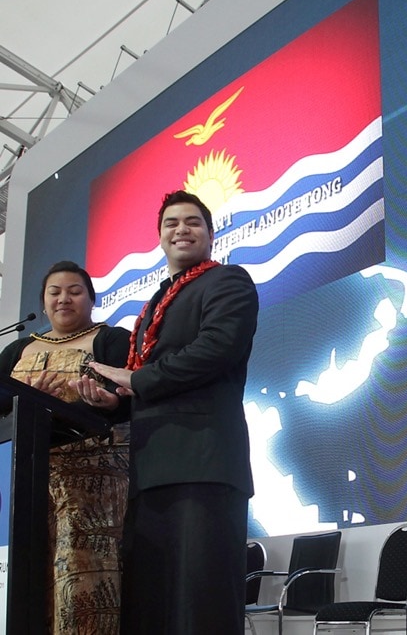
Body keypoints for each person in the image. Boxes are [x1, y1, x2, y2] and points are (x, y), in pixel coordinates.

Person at [76, 190, 258, 634]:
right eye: (171, 223)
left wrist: (134, 380)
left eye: (193, 222)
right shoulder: (157, 301)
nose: (182, 229)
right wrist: (115, 402)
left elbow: (216, 349)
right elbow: (149, 379)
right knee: (152, 605)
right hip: (148, 468)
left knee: (202, 601)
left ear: (211, 234)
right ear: (160, 238)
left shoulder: (228, 281)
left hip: (203, 462)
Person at [0, 261, 131, 634]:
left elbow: (134, 398)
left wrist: (110, 402)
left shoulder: (112, 340)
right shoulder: (18, 350)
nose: (64, 299)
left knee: (82, 578)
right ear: (43, 304)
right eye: (54, 292)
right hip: (26, 483)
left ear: (91, 298)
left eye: (74, 291)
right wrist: (25, 399)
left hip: (93, 483)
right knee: (28, 577)